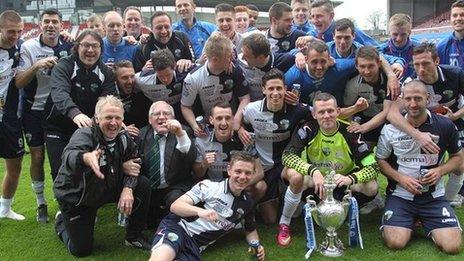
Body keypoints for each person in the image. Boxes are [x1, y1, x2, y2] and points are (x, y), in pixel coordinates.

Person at [277, 92, 380, 247]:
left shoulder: (351, 132)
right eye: (321, 112)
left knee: (372, 186)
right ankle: (285, 223)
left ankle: (345, 211)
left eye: (330, 111)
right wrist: (313, 170)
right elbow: (287, 156)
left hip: (341, 183)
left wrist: (349, 179)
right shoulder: (308, 129)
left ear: (338, 111)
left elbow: (373, 166)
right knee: (293, 174)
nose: (326, 116)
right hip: (317, 184)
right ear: (314, 114)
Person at [54, 95, 151, 257]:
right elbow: (69, 156)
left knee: (142, 184)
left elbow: (135, 163)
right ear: (97, 118)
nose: (113, 123)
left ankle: (134, 236)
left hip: (105, 187)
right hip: (78, 197)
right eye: (108, 117)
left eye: (117, 118)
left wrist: (127, 189)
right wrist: (86, 158)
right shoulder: (84, 134)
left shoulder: (124, 137)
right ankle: (61, 222)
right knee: (81, 250)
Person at [376, 80, 463, 254]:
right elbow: (381, 161)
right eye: (408, 99)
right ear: (402, 99)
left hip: (433, 197)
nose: (413, 104)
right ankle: (410, 220)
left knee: (452, 247)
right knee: (396, 242)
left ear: (428, 98)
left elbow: (458, 158)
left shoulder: (445, 125)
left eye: (418, 98)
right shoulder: (390, 129)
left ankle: (425, 220)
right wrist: (401, 179)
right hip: (401, 195)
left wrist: (439, 171)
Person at [149, 151, 265, 261]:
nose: (242, 177)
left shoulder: (247, 203)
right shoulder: (209, 186)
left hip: (195, 245)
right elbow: (176, 206)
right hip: (178, 227)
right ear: (229, 170)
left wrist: (256, 244)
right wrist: (200, 212)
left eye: (248, 173)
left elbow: (251, 230)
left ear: (253, 174)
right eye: (238, 171)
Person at [387, 42, 464, 207]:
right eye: (416, 64)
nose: (421, 69)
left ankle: (447, 201)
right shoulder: (410, 82)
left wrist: (455, 115)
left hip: (454, 121)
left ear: (436, 61)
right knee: (419, 164)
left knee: (460, 164)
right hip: (424, 125)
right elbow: (392, 113)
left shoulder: (455, 74)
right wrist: (418, 135)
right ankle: (409, 198)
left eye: (425, 63)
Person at [15, 8, 72, 223]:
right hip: (34, 111)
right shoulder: (29, 47)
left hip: (59, 112)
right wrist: (36, 66)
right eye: (46, 21)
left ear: (61, 25)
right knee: (37, 157)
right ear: (40, 24)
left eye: (54, 22)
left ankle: (65, 200)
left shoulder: (68, 45)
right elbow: (19, 81)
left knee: (63, 156)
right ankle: (41, 202)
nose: (50, 25)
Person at [44, 30, 117, 181]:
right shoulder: (64, 66)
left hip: (88, 128)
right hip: (59, 127)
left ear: (101, 49)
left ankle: (86, 201)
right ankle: (63, 202)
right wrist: (75, 113)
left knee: (87, 170)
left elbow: (107, 101)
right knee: (60, 170)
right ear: (77, 47)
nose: (90, 50)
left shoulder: (106, 73)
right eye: (86, 45)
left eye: (95, 46)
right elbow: (59, 93)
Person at [241, 68, 312, 224]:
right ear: (263, 90)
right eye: (271, 88)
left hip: (286, 162)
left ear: (285, 89)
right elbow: (239, 121)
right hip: (264, 166)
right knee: (270, 220)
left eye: (279, 88)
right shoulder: (252, 109)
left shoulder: (297, 108)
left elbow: (321, 114)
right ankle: (277, 199)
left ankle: (286, 215)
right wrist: (239, 129)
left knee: (297, 176)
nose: (275, 93)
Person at [138, 101, 196, 228]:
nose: (162, 117)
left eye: (166, 113)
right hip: (151, 189)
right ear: (149, 119)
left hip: (175, 186)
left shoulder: (183, 132)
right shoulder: (141, 135)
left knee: (174, 200)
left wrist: (180, 134)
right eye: (157, 114)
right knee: (151, 223)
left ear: (173, 118)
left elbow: (191, 157)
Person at [181, 33, 250, 137]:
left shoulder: (235, 70)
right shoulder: (193, 78)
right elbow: (186, 106)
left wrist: (236, 119)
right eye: (228, 56)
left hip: (230, 120)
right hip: (206, 122)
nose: (232, 59)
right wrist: (195, 126)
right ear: (214, 59)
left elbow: (245, 98)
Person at [0, 10, 25, 221]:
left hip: (8, 117)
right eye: (10, 31)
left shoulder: (19, 49)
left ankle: (5, 209)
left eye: (18, 31)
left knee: (15, 164)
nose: (15, 35)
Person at [136, 49, 189, 124]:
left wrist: (192, 61)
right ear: (154, 70)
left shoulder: (185, 71)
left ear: (174, 67)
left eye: (168, 74)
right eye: (161, 76)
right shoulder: (142, 79)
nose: (165, 79)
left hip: (183, 112)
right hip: (159, 117)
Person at [239, 32, 295, 101]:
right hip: (250, 106)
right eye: (242, 53)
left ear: (261, 57)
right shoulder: (239, 61)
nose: (242, 58)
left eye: (247, 56)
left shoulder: (285, 61)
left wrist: (299, 54)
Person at [309, 0, 378, 46]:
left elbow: (377, 50)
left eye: (319, 16)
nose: (315, 21)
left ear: (331, 16)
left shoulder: (349, 31)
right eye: (312, 16)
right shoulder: (311, 35)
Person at [378, 13, 420, 80]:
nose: (399, 39)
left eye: (403, 34)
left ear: (409, 32)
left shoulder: (420, 49)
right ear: (389, 32)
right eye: (395, 34)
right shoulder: (381, 50)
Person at [113, 60, 151, 132]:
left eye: (132, 76)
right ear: (116, 79)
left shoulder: (141, 90)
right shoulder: (110, 96)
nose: (130, 81)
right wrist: (122, 130)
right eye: (125, 78)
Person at [437, 0, 464, 69]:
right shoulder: (442, 47)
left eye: (462, 15)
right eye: (454, 15)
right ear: (450, 19)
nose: (458, 18)